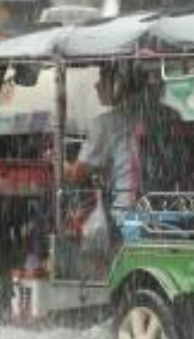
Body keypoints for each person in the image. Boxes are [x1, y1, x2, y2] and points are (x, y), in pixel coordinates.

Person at [63, 62, 150, 276]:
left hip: (125, 215)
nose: (95, 85)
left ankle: (90, 286)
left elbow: (77, 175)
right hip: (161, 210)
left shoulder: (106, 123)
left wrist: (57, 163)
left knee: (63, 230)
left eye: (103, 77)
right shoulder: (168, 115)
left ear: (119, 84)